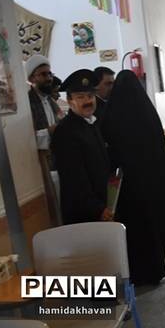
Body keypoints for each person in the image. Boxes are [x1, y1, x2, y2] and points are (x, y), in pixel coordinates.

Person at [101, 70, 165, 286]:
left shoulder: (111, 116)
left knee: (136, 232)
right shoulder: (148, 113)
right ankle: (155, 269)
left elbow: (109, 155)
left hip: (128, 190)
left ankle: (138, 273)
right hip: (154, 183)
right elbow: (160, 149)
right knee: (156, 226)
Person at [51, 69, 114, 225]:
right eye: (80, 97)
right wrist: (97, 208)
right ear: (70, 101)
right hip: (85, 213)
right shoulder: (66, 131)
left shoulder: (92, 124)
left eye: (90, 96)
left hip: (102, 206)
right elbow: (73, 179)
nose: (87, 101)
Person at [25, 55, 64, 225]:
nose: (48, 78)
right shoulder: (27, 102)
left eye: (49, 74)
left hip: (57, 159)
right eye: (43, 74)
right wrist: (51, 131)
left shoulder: (50, 100)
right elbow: (27, 137)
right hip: (42, 165)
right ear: (32, 78)